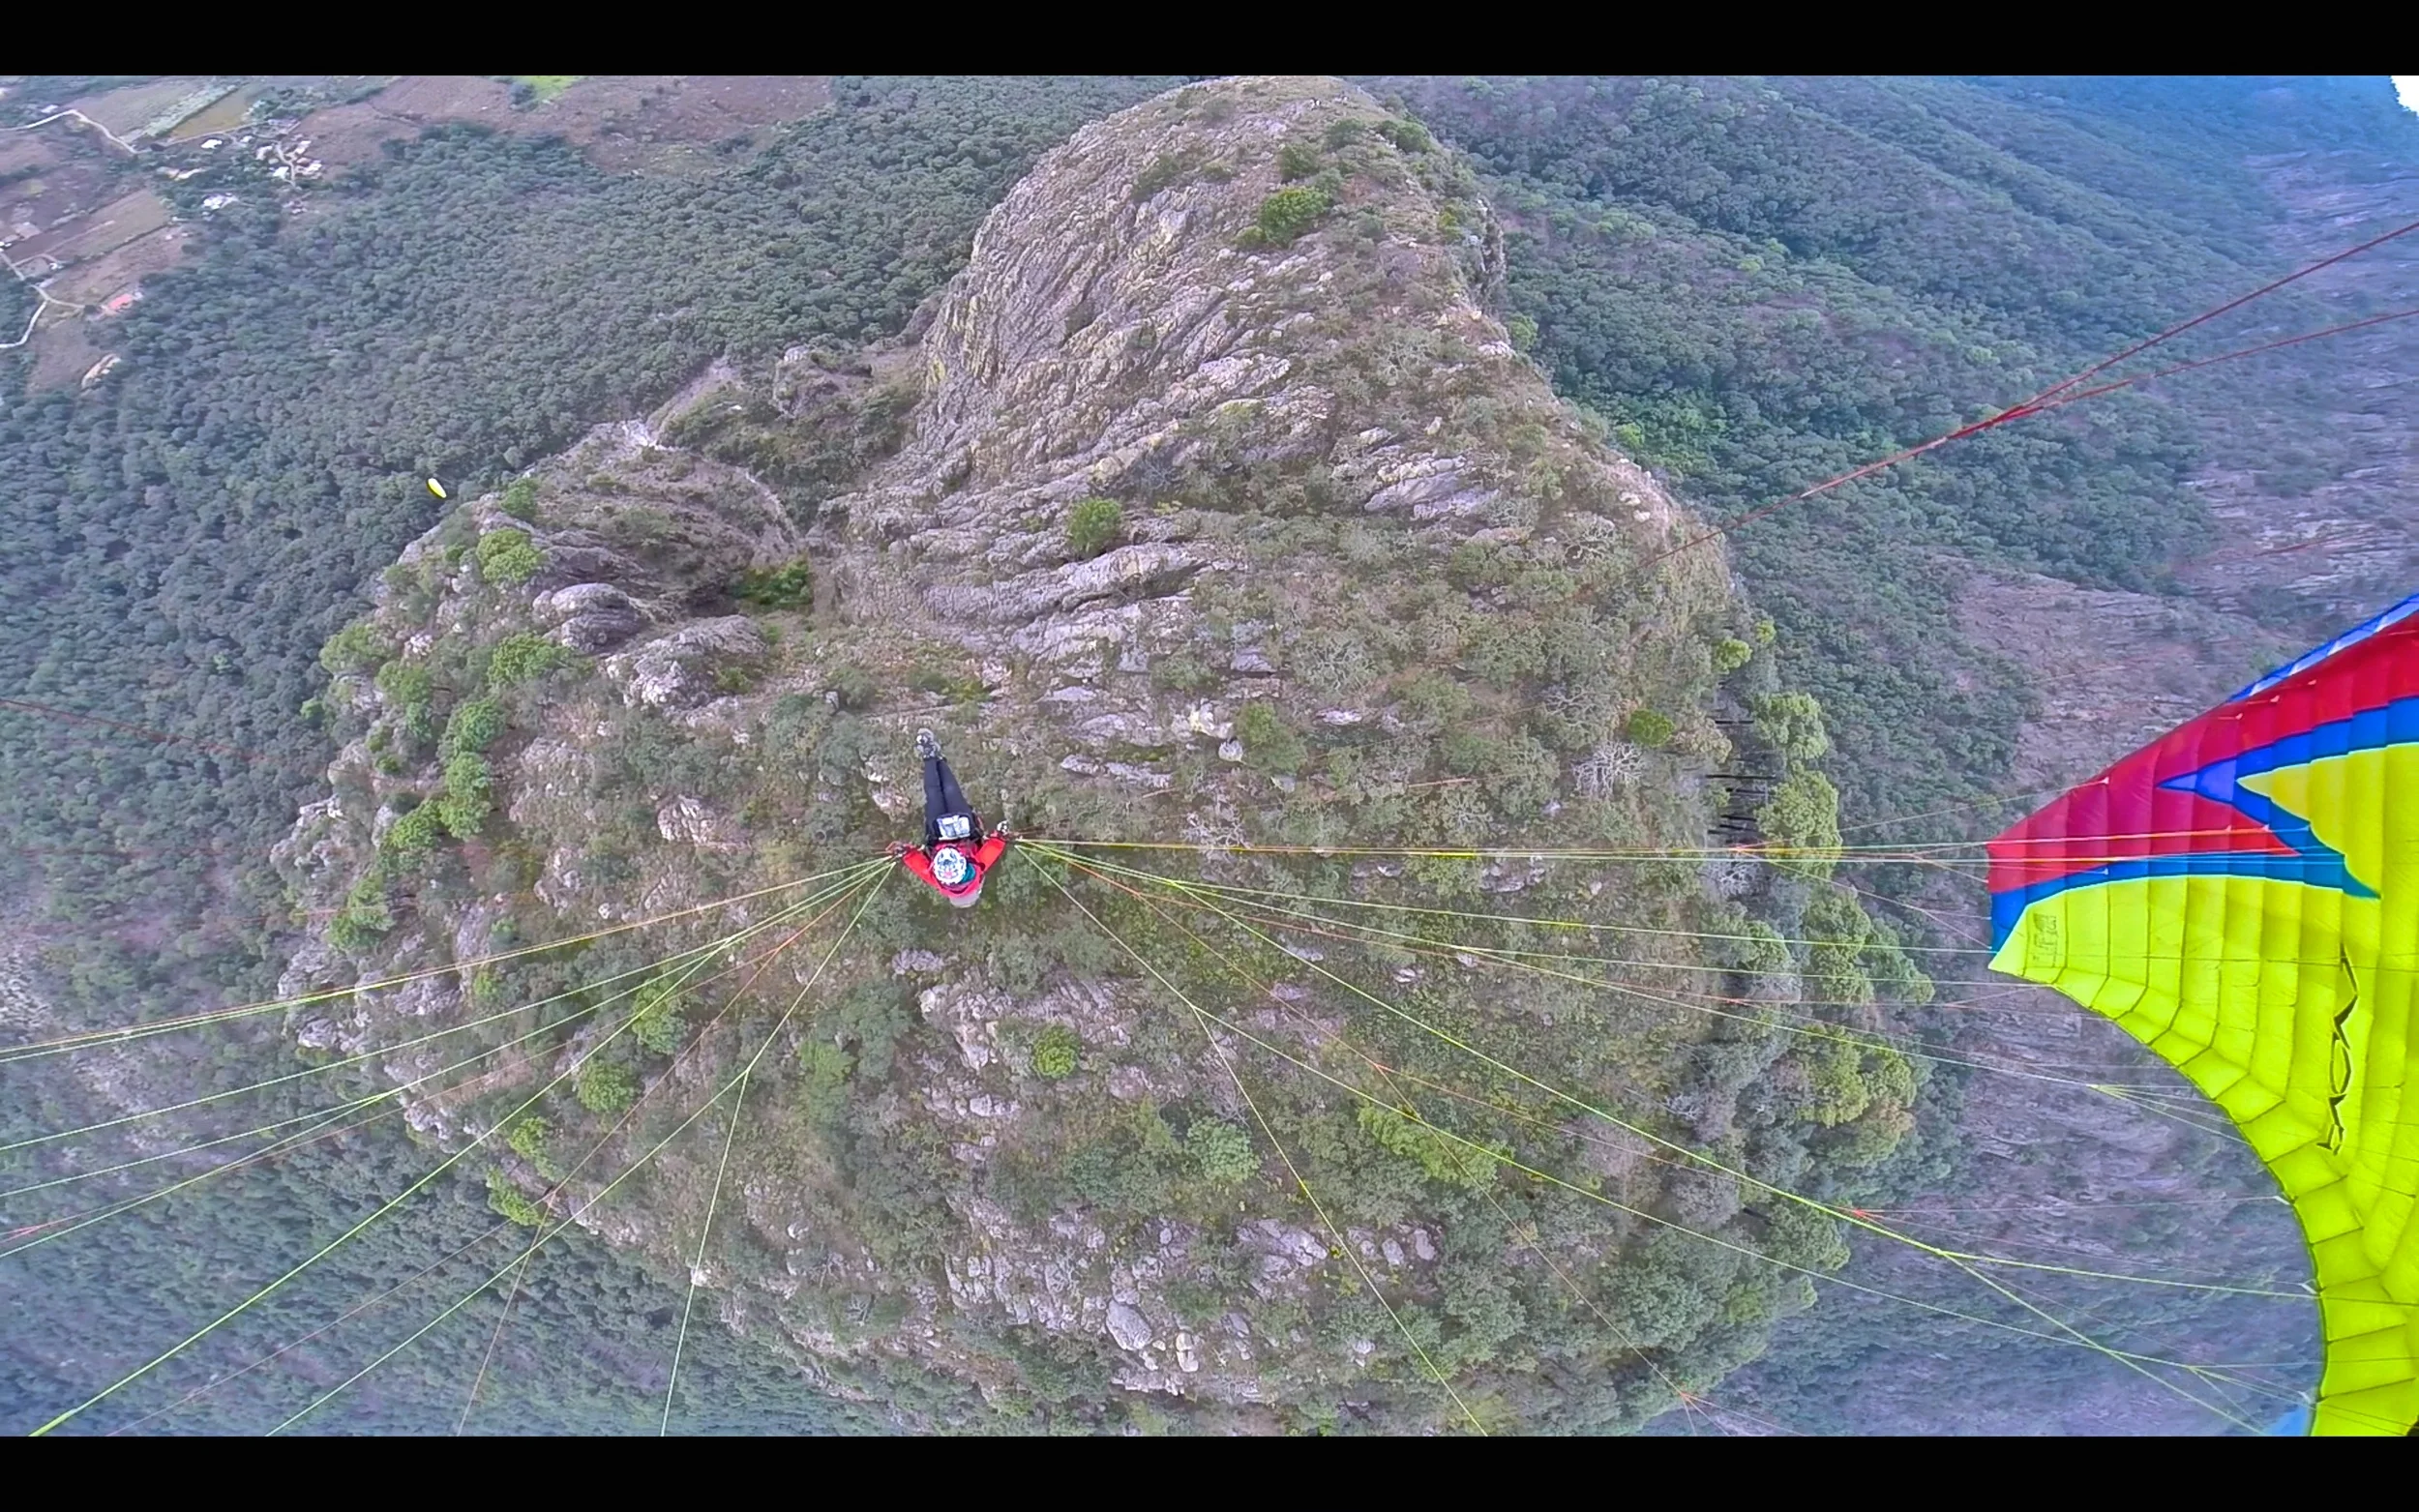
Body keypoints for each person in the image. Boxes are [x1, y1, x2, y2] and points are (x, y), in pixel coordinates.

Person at [890, 728, 1010, 906]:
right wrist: (904, 852)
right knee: (934, 794)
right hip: (939, 833)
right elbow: (918, 863)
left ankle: (935, 757)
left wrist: (1001, 836)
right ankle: (931, 756)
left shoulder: (976, 872)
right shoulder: (939, 881)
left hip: (963, 830)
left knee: (950, 791)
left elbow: (992, 849)